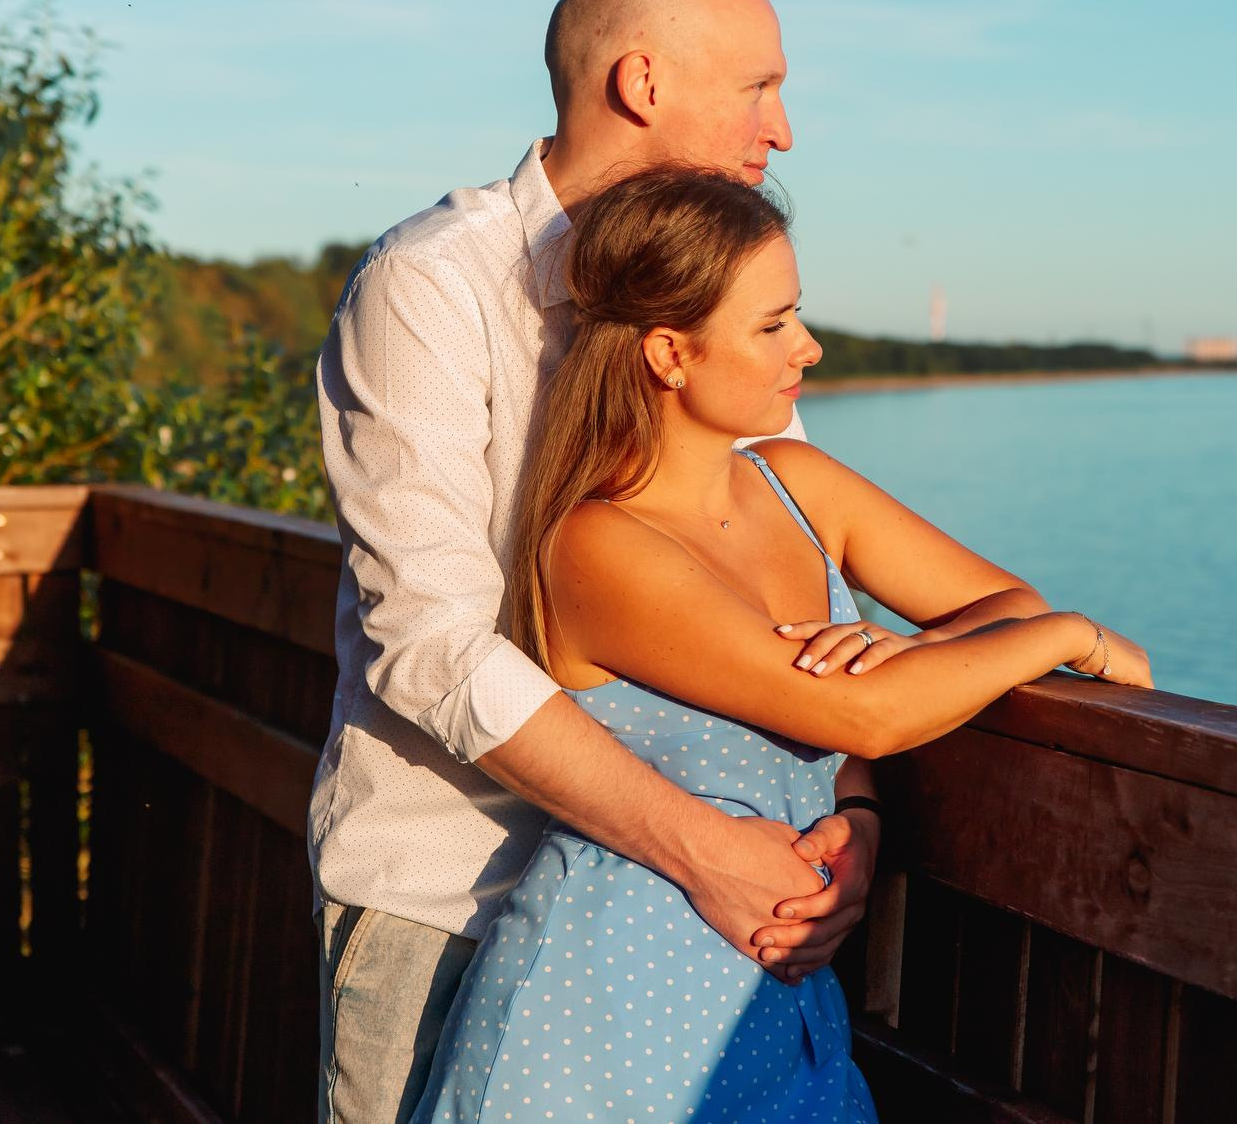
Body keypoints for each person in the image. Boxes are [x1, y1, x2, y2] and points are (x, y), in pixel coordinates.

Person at [412, 167, 1151, 1122]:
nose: (806, 345)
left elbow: (999, 599)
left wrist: (877, 744)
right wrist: (1069, 638)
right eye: (772, 325)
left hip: (776, 1009)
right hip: (603, 1026)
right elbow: (870, 714)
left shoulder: (800, 486)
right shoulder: (596, 545)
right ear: (670, 352)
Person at [312, 0, 885, 1122]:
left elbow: (799, 593)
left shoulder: (722, 300)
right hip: (455, 904)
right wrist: (699, 847)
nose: (779, 131)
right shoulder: (431, 287)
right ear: (641, 83)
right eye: (757, 88)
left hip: (697, 936)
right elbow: (427, 645)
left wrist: (857, 815)